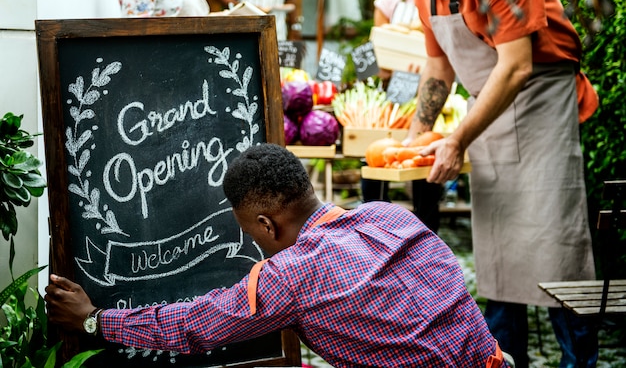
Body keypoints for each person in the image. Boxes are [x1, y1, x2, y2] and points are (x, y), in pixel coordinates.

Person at [359, 0, 600, 367]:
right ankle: (503, 362)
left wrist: (457, 140)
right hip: (486, 111)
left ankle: (579, 362)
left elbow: (516, 66)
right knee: (497, 255)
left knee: (558, 252)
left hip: (540, 101)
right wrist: (415, 138)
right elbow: (438, 68)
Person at [45, 143, 509, 367]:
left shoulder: (292, 274)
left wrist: (92, 319)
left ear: (267, 224)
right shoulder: (391, 217)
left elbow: (194, 326)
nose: (255, 244)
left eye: (252, 234)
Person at [361, 0, 444, 233]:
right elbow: (377, 56)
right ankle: (377, 227)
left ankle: (427, 229)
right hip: (395, 96)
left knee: (423, 162)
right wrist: (384, 67)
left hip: (430, 93)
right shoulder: (389, 1)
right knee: (377, 163)